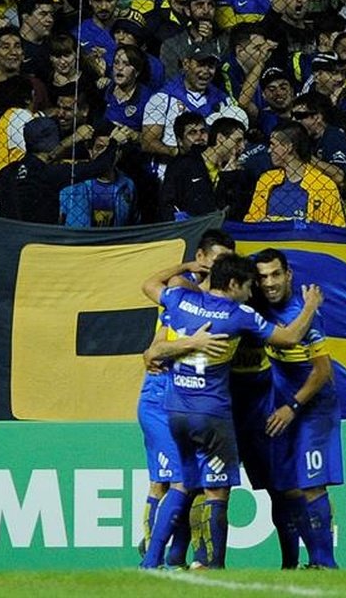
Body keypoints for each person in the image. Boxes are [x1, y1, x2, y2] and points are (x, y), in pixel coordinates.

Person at [139, 253, 323, 570]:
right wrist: (310, 307)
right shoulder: (238, 314)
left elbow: (149, 284)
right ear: (234, 283)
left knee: (182, 483)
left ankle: (152, 561)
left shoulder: (180, 299)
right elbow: (290, 337)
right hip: (211, 412)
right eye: (249, 285)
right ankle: (213, 565)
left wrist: (184, 268)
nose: (252, 292)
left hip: (175, 409)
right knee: (217, 488)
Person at [136, 229, 234, 566]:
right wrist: (156, 353)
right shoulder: (182, 290)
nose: (221, 266)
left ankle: (175, 557)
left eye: (227, 261)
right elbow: (158, 344)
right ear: (203, 258)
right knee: (170, 481)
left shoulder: (225, 303)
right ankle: (153, 552)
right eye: (216, 259)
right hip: (160, 395)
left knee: (185, 482)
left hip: (192, 401)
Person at [255, 248, 342, 570]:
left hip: (312, 407)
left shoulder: (305, 311)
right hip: (279, 409)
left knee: (311, 484)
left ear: (288, 274)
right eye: (262, 277)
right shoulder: (257, 308)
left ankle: (325, 564)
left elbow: (323, 371)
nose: (269, 283)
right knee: (281, 488)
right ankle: (289, 565)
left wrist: (292, 406)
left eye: (275, 274)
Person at [245, 121, 346, 226]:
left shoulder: (324, 185)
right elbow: (251, 222)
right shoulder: (266, 180)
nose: (269, 150)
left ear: (288, 147)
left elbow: (336, 230)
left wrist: (277, 222)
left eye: (273, 144)